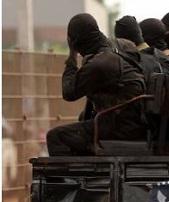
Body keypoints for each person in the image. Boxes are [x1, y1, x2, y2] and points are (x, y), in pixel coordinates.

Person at [46, 13, 147, 156]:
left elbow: (68, 92)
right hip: (137, 119)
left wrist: (72, 56)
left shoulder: (99, 64)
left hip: (122, 126)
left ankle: (72, 179)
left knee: (56, 137)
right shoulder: (125, 45)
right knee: (84, 119)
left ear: (75, 42)